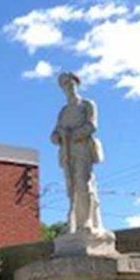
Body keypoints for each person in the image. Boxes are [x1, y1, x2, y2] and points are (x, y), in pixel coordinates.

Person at [51, 72, 105, 234]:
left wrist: (72, 135)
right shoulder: (63, 111)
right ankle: (73, 222)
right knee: (71, 188)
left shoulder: (87, 105)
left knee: (83, 184)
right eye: (64, 85)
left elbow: (92, 126)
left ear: (76, 84)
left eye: (70, 83)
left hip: (82, 149)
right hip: (67, 152)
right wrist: (59, 136)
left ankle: (87, 221)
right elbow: (53, 136)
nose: (68, 87)